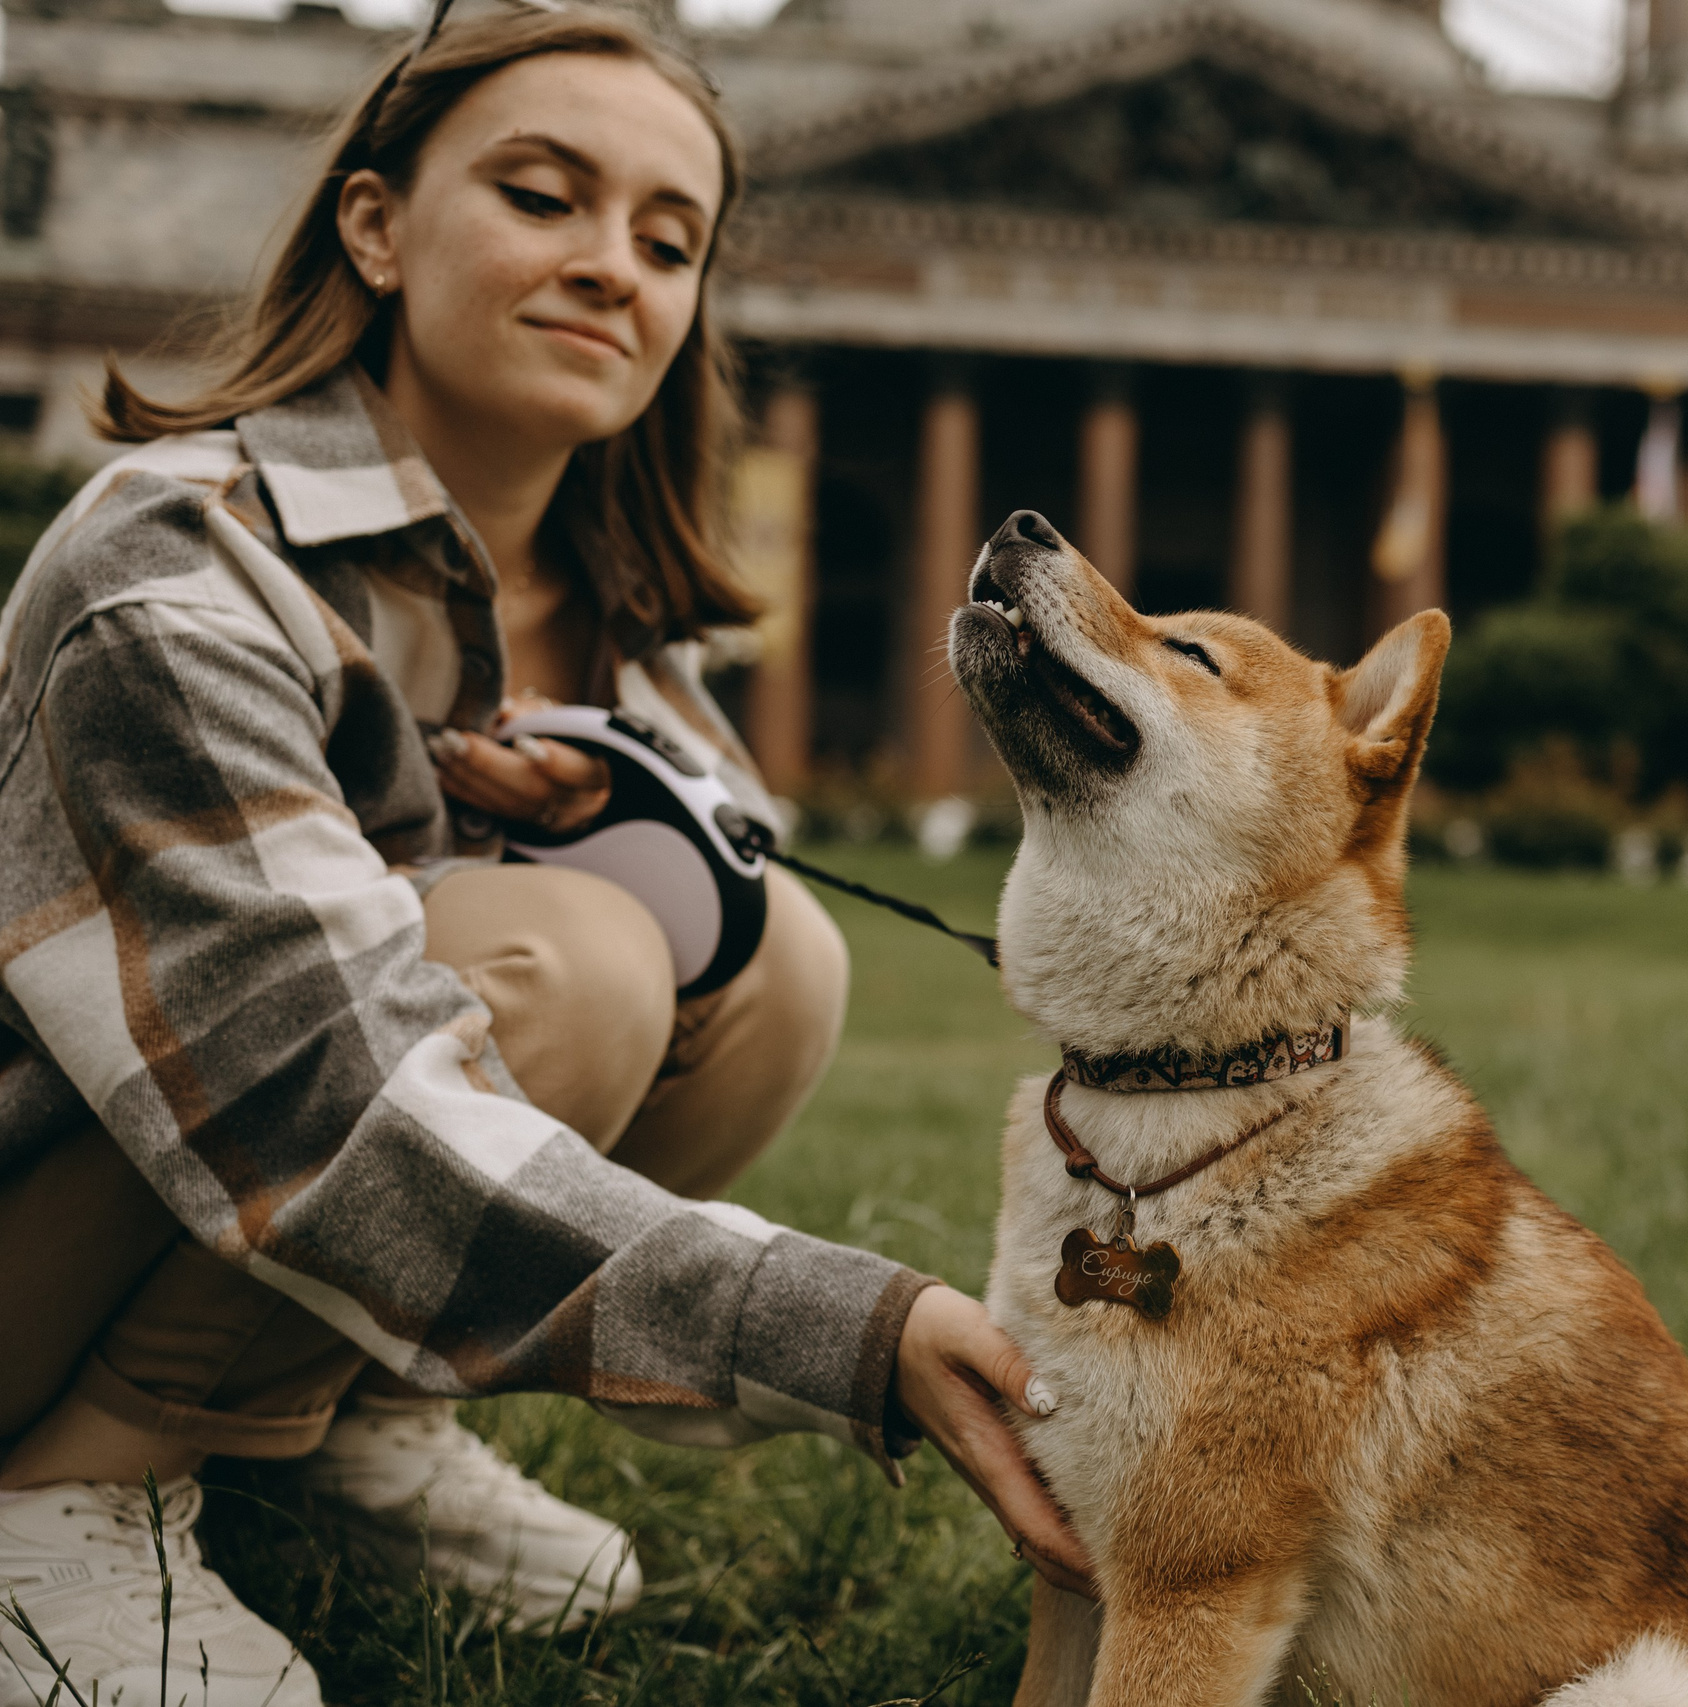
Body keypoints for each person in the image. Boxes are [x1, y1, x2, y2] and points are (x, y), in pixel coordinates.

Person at [0, 8, 1089, 1703]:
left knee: (773, 953)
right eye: (541, 197)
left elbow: (717, 925)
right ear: (374, 226)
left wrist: (572, 796)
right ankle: (69, 1494)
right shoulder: (176, 560)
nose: (611, 268)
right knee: (577, 961)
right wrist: (838, 1329)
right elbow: (318, 1075)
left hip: (219, 1190)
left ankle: (337, 1426)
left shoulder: (612, 625)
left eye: (669, 241)